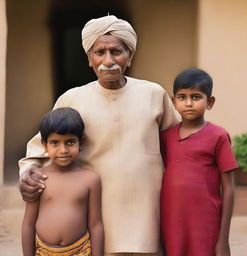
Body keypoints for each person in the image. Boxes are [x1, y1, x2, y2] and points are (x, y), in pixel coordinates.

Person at [19, 15, 180, 255]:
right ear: (89, 59)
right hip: (97, 213)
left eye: (116, 51)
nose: (108, 60)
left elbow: (179, 144)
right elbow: (41, 147)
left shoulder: (154, 94)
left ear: (130, 56)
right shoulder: (72, 99)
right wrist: (28, 173)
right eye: (100, 52)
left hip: (146, 211)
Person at [160, 68, 238, 256]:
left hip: (206, 223)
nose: (188, 103)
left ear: (209, 102)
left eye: (196, 97)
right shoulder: (165, 137)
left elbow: (228, 188)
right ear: (173, 102)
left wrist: (223, 239)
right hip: (172, 221)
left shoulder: (218, 136)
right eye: (182, 97)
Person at [21, 107, 103, 256]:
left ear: (81, 142)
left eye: (70, 142)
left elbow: (95, 224)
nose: (63, 150)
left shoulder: (91, 179)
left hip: (81, 250)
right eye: (55, 143)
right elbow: (28, 224)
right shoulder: (39, 177)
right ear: (45, 145)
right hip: (43, 251)